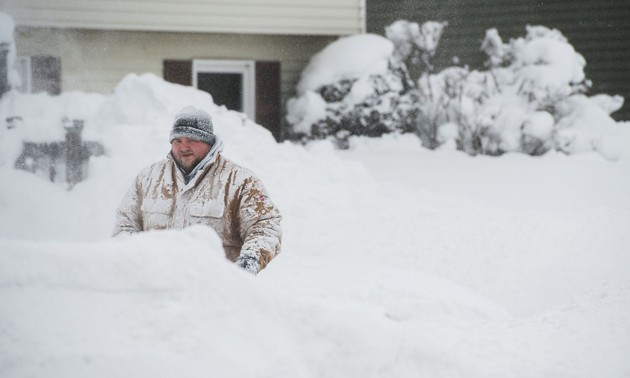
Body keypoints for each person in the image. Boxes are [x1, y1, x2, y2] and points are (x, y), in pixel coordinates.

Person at [113, 106, 282, 274]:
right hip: (157, 285)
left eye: (192, 140)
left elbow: (265, 226)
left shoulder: (240, 181)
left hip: (214, 288)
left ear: (208, 143)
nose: (184, 147)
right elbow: (126, 222)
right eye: (177, 141)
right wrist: (131, 262)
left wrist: (249, 260)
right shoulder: (148, 178)